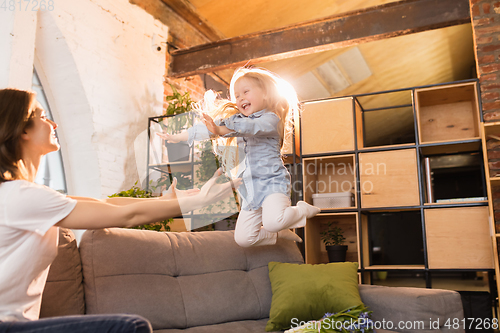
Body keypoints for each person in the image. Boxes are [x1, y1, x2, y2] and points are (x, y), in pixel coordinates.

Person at [0, 88, 240, 333]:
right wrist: (194, 204)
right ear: (21, 129)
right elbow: (126, 216)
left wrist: (166, 202)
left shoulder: (22, 195)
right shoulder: (20, 196)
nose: (53, 123)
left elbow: (106, 205)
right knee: (130, 327)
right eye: (42, 117)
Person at [158, 67, 321, 248]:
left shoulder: (270, 120)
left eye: (246, 91)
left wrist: (220, 130)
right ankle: (278, 233)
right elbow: (210, 129)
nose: (240, 98)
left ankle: (301, 211)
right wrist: (178, 137)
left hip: (272, 183)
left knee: (272, 222)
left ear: (266, 94)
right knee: (243, 239)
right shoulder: (238, 121)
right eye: (237, 95)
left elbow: (251, 128)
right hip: (251, 189)